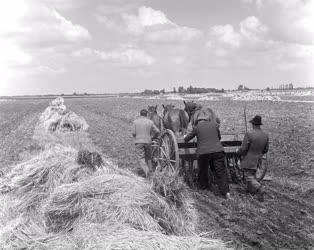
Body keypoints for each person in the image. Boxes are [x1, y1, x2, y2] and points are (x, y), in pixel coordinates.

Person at [184, 115, 230, 199]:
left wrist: (185, 137)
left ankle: (204, 188)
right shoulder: (214, 125)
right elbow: (219, 137)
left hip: (203, 153)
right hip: (218, 151)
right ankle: (226, 192)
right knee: (220, 172)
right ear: (206, 120)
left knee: (203, 170)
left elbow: (187, 139)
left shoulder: (197, 127)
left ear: (198, 121)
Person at [237, 115, 269, 202]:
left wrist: (238, 152)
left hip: (249, 158)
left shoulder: (249, 134)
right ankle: (250, 190)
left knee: (249, 176)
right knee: (252, 173)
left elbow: (243, 149)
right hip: (258, 159)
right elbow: (266, 149)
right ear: (259, 125)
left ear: (253, 124)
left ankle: (259, 188)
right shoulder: (265, 135)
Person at [132, 109, 160, 177]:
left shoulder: (135, 122)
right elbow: (157, 131)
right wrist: (153, 137)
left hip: (139, 142)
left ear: (140, 114)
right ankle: (151, 170)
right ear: (147, 114)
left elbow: (133, 133)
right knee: (148, 157)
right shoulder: (150, 122)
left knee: (141, 158)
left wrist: (137, 137)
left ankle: (148, 173)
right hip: (148, 141)